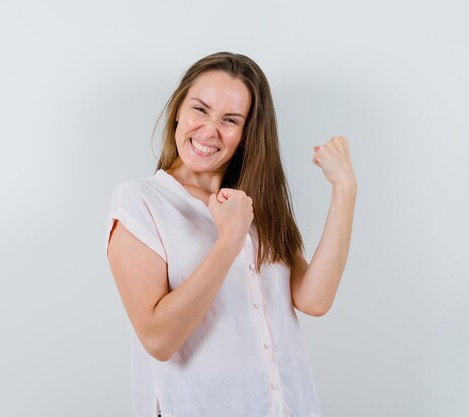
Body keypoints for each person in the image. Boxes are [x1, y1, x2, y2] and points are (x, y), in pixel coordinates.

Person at [104, 51, 357, 417]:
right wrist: (229, 240)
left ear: (246, 132)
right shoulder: (141, 201)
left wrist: (344, 188)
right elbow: (159, 339)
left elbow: (313, 299)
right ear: (178, 109)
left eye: (230, 119)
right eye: (200, 109)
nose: (209, 130)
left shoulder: (255, 203)